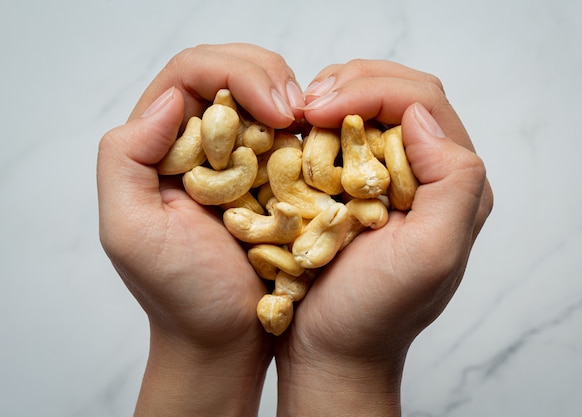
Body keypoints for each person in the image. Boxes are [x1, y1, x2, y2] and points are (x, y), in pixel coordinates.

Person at [97, 43, 493, 417]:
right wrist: (347, 366)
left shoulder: (300, 191)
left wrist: (341, 359)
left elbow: (297, 190)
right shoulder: (302, 191)